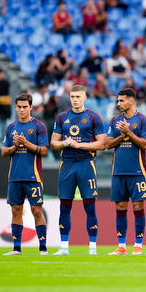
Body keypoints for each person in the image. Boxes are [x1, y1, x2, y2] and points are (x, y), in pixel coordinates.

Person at [50, 85, 106, 256]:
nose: (75, 99)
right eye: (72, 96)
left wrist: (80, 144)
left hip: (86, 163)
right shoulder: (62, 117)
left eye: (78, 96)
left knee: (89, 207)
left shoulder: (93, 117)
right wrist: (66, 143)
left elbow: (102, 144)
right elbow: (53, 143)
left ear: (84, 97)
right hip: (66, 164)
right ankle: (64, 247)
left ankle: (92, 248)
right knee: (64, 206)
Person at [1, 93, 49, 256]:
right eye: (19, 107)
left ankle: (43, 248)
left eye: (25, 107)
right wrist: (14, 148)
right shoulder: (10, 128)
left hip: (33, 177)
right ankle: (16, 248)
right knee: (15, 210)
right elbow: (3, 152)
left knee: (37, 211)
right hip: (14, 177)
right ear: (16, 107)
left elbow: (43, 150)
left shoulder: (39, 126)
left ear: (30, 107)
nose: (22, 110)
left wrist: (24, 143)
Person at [105, 89, 146, 255]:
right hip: (118, 171)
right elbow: (108, 144)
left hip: (137, 171)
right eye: (118, 101)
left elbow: (145, 144)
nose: (118, 104)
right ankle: (122, 246)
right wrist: (122, 135)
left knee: (138, 206)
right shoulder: (115, 121)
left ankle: (138, 245)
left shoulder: (142, 120)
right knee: (120, 207)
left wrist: (129, 132)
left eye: (121, 101)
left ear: (131, 101)